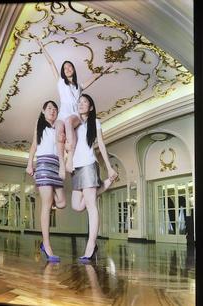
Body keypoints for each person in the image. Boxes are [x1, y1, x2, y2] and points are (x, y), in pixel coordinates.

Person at [35, 37, 112, 178]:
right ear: (63, 72)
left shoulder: (79, 87)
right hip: (62, 114)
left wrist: (103, 71)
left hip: (74, 115)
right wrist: (42, 46)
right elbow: (51, 63)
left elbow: (93, 78)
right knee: (59, 130)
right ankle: (62, 166)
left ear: (73, 69)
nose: (67, 69)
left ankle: (70, 159)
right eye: (64, 68)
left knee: (69, 122)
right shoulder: (60, 82)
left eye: (69, 66)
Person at [69, 94, 117, 262]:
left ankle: (91, 245)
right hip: (76, 167)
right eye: (79, 102)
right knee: (76, 205)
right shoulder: (73, 123)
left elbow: (101, 145)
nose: (81, 104)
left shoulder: (94, 122)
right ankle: (105, 184)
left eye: (85, 102)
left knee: (90, 205)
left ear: (90, 107)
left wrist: (109, 167)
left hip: (89, 164)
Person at [26, 101, 66, 262]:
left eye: (55, 109)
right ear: (43, 111)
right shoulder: (39, 125)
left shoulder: (58, 127)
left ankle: (45, 189)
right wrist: (29, 164)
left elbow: (62, 149)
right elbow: (34, 145)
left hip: (56, 165)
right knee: (47, 205)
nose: (53, 111)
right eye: (49, 108)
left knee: (61, 202)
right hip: (43, 164)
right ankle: (47, 245)